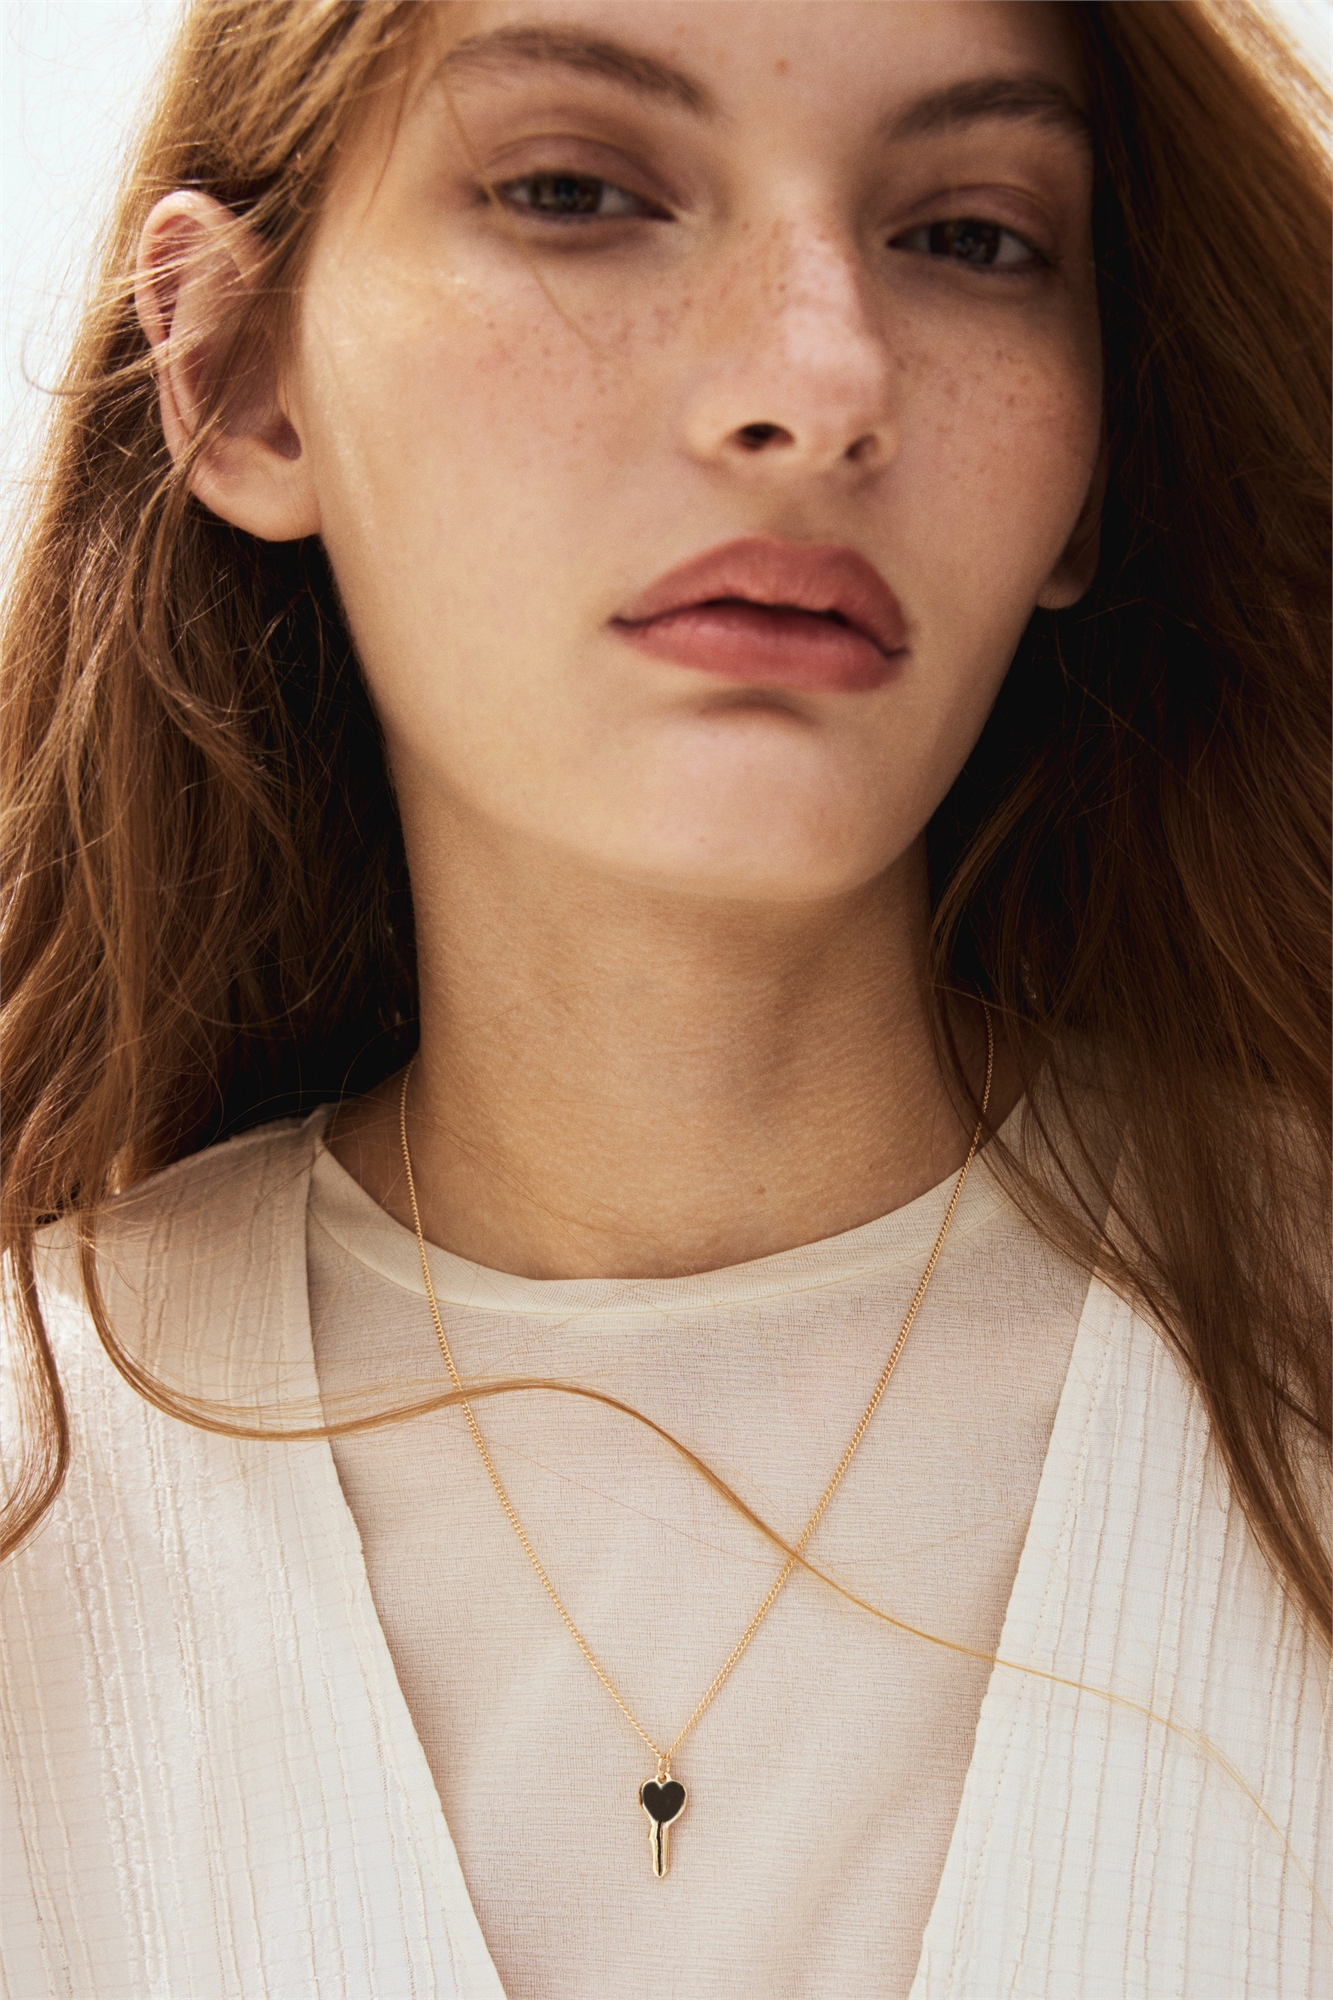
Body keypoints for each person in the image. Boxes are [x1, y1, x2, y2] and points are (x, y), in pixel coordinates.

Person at [1, 2, 1328, 1995]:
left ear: (1092, 454)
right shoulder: (39, 1476)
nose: (820, 382)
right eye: (574, 192)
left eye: (968, 236)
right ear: (242, 380)